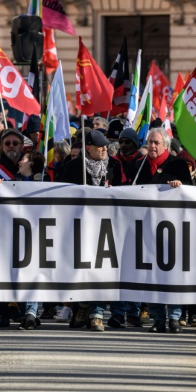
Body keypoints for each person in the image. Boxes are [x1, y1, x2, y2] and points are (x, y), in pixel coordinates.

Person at [132, 128, 192, 333]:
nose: (152, 146)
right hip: (146, 230)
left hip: (172, 230)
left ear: (166, 145)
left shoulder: (178, 166)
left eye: (156, 142)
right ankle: (158, 318)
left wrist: (180, 186)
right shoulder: (139, 166)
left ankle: (174, 317)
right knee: (152, 276)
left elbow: (191, 194)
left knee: (172, 275)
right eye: (150, 142)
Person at [60, 130, 118, 332]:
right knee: (82, 270)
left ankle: (97, 314)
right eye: (100, 146)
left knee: (102, 271)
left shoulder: (114, 166)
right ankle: (82, 307)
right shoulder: (73, 167)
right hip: (80, 228)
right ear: (88, 148)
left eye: (105, 145)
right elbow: (62, 195)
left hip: (108, 228)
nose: (104, 149)